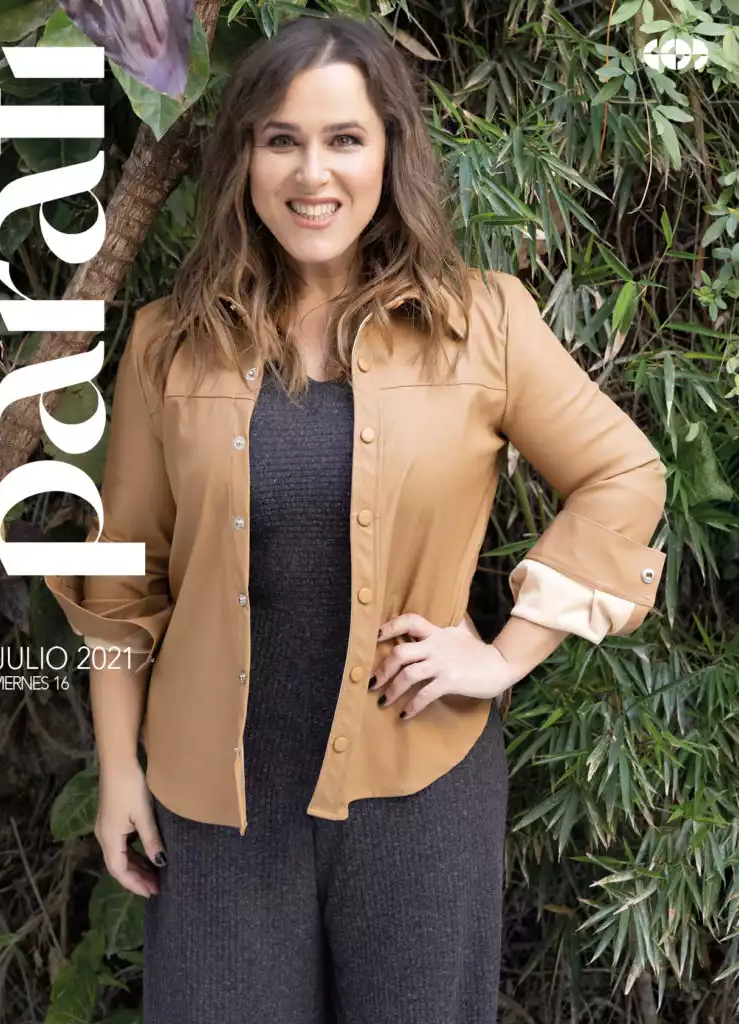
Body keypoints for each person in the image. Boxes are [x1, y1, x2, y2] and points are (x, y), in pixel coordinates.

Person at [44, 14, 667, 1024]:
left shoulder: (482, 320)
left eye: (343, 139)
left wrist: (502, 655)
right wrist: (119, 771)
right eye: (280, 140)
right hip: (212, 814)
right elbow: (121, 581)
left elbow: (622, 474)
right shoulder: (168, 344)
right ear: (244, 158)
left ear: (388, 151)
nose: (312, 173)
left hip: (420, 799)